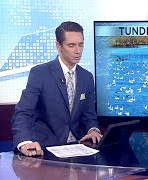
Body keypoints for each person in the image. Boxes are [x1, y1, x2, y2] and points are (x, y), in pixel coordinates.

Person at [11, 21, 102, 156]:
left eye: (81, 45)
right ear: (58, 46)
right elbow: (23, 112)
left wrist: (93, 130)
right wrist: (24, 141)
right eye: (71, 45)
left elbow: (89, 115)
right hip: (47, 148)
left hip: (79, 148)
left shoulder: (87, 77)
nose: (78, 51)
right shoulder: (40, 73)